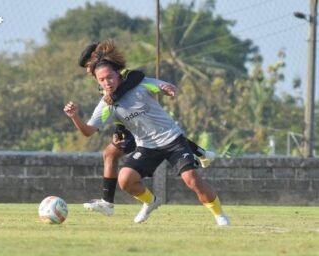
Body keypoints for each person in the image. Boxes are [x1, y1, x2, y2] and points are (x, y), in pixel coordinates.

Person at [64, 40, 230, 226]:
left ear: (118, 73)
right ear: (97, 81)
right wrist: (74, 117)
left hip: (173, 140)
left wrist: (168, 89)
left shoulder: (139, 83)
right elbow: (87, 132)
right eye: (102, 80)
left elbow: (164, 87)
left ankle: (219, 215)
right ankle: (151, 202)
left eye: (109, 77)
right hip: (147, 146)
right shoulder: (106, 104)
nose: (107, 82)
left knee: (192, 180)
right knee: (125, 180)